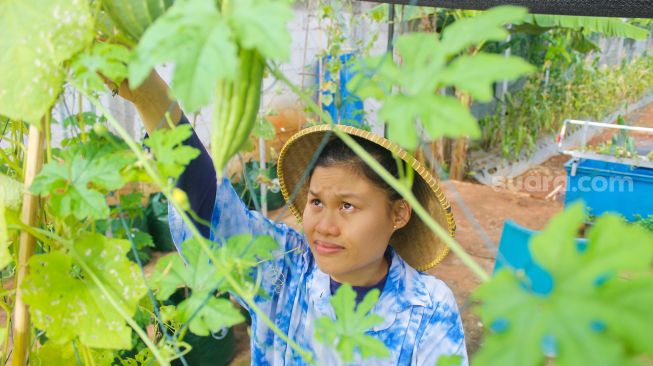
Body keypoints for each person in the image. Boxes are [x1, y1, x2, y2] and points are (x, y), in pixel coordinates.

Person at [117, 71, 467, 365]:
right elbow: (209, 213)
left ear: (399, 213)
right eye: (316, 202)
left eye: (347, 206)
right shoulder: (286, 268)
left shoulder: (427, 309)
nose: (324, 227)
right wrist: (152, 98)